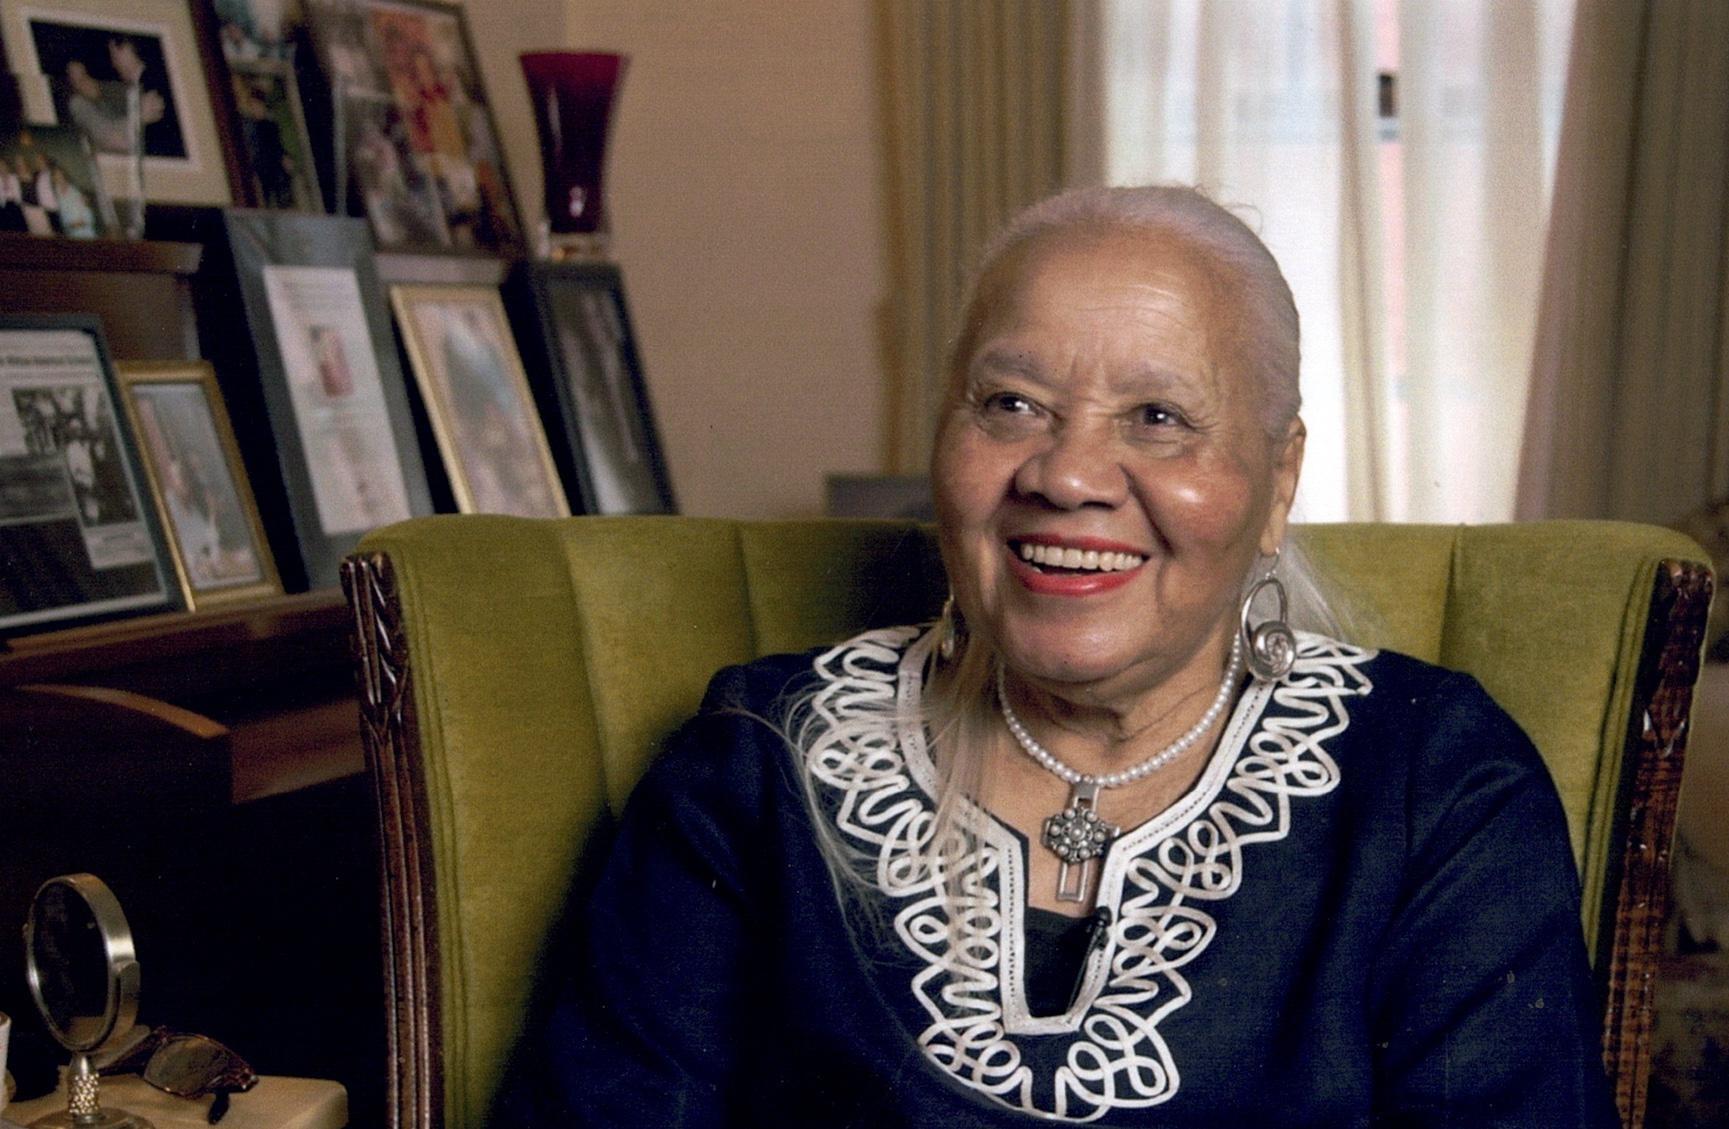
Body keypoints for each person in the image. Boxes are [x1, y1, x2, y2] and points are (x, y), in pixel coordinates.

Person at [503, 185, 1619, 1127]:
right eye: (1010, 404)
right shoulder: (758, 764)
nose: (1066, 472)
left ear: (1277, 484)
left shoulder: (1436, 780)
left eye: (1157, 417)